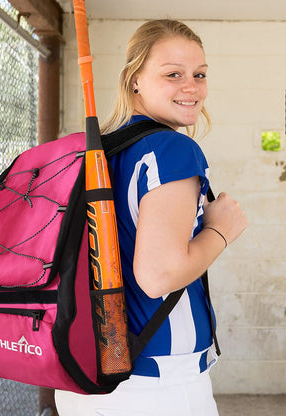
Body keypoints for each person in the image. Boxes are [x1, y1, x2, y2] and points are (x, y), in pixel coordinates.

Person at [55, 19, 247, 416]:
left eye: (200, 74)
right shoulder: (171, 149)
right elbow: (158, 276)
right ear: (134, 80)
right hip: (156, 384)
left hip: (87, 373)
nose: (191, 86)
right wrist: (221, 230)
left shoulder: (100, 151)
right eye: (173, 74)